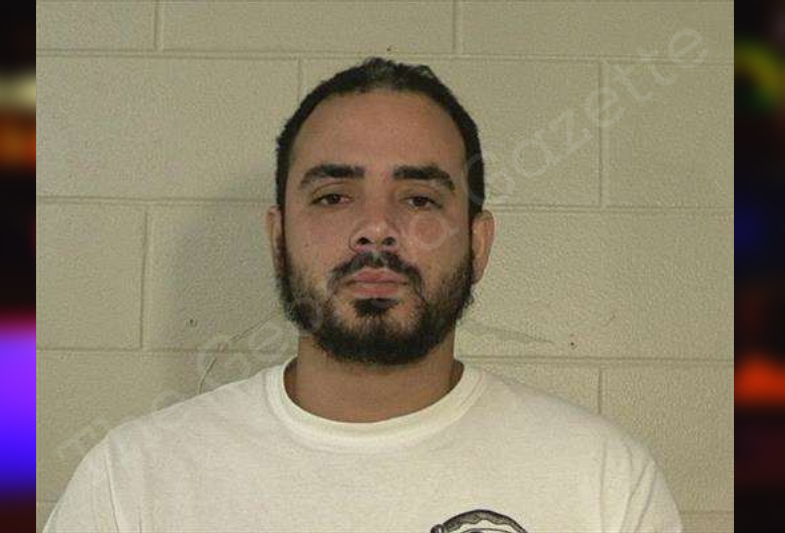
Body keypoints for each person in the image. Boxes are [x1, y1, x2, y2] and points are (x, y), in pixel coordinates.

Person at [44, 57, 683, 533]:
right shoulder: (133, 480)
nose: (376, 228)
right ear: (277, 238)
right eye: (333, 197)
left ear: (478, 243)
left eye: (420, 199)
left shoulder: (601, 481)